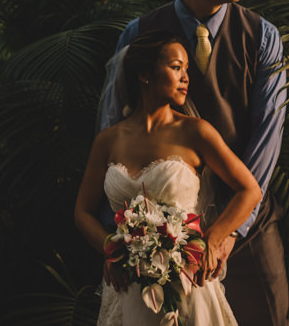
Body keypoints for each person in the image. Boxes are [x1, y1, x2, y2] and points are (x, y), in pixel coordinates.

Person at [98, 0, 289, 325]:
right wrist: (124, 244)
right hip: (156, 246)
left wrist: (225, 232)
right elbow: (117, 129)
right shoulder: (138, 35)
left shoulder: (263, 36)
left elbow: (267, 139)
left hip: (247, 226)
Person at [75, 31, 262, 325]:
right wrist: (110, 247)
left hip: (187, 284)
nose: (186, 77)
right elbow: (82, 212)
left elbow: (250, 190)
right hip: (128, 286)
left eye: (187, 69)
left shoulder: (196, 132)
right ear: (145, 75)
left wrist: (213, 239)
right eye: (176, 67)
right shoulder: (108, 141)